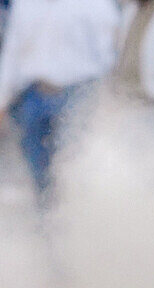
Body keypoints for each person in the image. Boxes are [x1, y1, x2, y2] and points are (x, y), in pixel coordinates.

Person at [0, 0, 120, 208]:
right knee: (37, 165)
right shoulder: (25, 4)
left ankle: (73, 220)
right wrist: (2, 100)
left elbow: (109, 54)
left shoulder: (97, 4)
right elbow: (12, 51)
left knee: (69, 164)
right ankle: (47, 222)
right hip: (33, 94)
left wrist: (109, 98)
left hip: (78, 93)